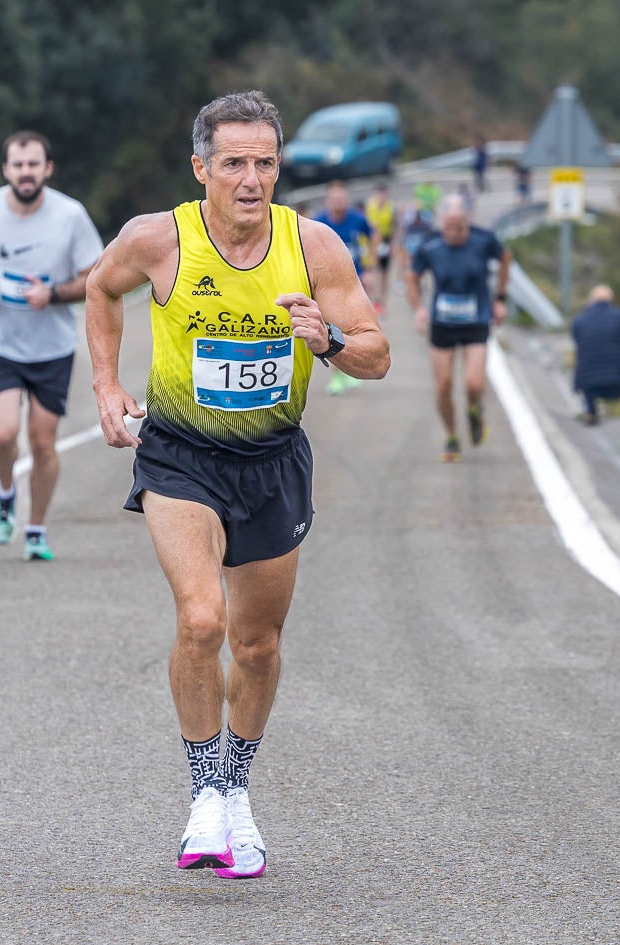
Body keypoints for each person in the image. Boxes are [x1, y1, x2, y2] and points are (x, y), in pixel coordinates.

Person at [85, 90, 388, 880]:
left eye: (264, 163)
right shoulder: (158, 241)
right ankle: (201, 798)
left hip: (272, 462)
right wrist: (107, 386)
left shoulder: (313, 246)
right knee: (200, 619)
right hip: (181, 455)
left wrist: (329, 341)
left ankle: (236, 789)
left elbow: (376, 353)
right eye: (233, 163)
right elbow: (98, 289)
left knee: (257, 643)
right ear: (201, 168)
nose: (251, 179)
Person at [0, 130, 104, 562]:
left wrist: (51, 294)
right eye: (18, 165)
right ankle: (4, 493)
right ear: (6, 170)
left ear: (47, 169)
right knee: (2, 436)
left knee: (42, 443)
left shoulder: (70, 216)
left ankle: (35, 529)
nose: (25, 172)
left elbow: (95, 276)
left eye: (34, 164)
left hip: (51, 347)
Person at [405, 193, 510, 462]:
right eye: (449, 227)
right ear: (441, 224)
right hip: (442, 324)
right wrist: (419, 309)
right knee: (443, 387)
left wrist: (500, 299)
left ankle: (474, 411)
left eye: (460, 227)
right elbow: (412, 276)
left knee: (473, 384)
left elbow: (505, 258)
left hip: (476, 320)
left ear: (468, 222)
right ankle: (452, 436)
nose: (454, 233)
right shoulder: (430, 245)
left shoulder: (483, 239)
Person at [314, 181, 379, 393]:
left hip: (355, 280)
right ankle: (337, 376)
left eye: (342, 199)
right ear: (327, 201)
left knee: (355, 327)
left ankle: (351, 370)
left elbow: (374, 236)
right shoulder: (319, 223)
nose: (338, 203)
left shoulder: (357, 220)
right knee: (333, 328)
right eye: (334, 199)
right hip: (328, 284)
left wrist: (370, 267)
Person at [571, 284, 620, 425]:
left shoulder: (580, 320)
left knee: (588, 386)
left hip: (589, 379)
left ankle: (591, 411)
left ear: (591, 300)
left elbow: (576, 339)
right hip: (619, 376)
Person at [363, 183, 396, 313]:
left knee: (385, 273)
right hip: (371, 242)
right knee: (373, 271)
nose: (381, 197)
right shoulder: (370, 206)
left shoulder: (390, 207)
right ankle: (373, 301)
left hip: (386, 241)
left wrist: (393, 244)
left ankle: (383, 300)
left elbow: (393, 226)